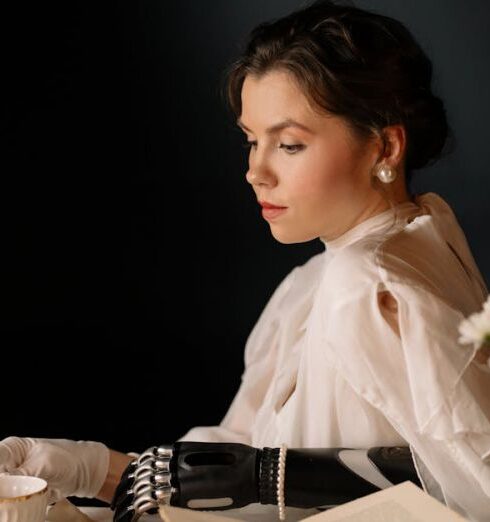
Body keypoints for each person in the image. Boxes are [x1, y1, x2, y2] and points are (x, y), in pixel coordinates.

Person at [1, 0, 489, 521]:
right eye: (252, 141)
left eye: (290, 144)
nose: (256, 171)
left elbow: (469, 488)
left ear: (385, 147)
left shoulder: (368, 284)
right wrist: (88, 469)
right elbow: (244, 459)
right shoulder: (335, 271)